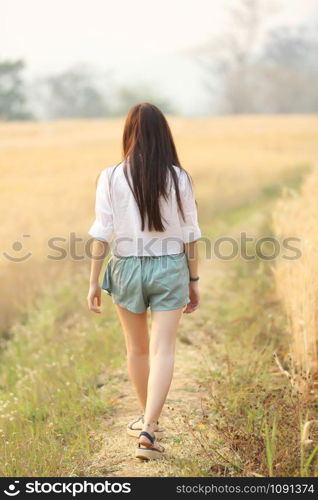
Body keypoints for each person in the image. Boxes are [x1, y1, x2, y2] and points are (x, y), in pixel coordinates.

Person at [87, 102, 201, 461]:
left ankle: (147, 423)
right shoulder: (179, 177)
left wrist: (93, 282)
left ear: (128, 134)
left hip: (125, 267)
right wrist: (194, 279)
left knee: (136, 349)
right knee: (162, 348)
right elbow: (190, 235)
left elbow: (101, 235)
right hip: (169, 266)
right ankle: (150, 426)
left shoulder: (110, 176)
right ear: (163, 135)